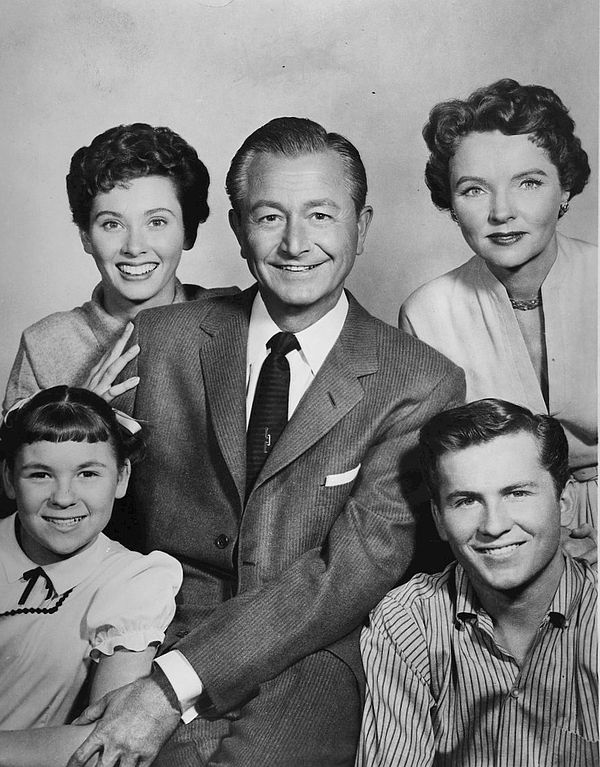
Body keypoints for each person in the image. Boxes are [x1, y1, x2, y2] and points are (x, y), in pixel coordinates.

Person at [66, 117, 465, 767]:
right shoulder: (160, 337)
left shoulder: (421, 381)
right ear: (236, 226)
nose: (296, 243)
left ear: (362, 227)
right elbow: (81, 499)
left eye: (320, 215)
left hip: (310, 654)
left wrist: (168, 689)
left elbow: (346, 574)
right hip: (149, 632)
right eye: (270, 216)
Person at [399, 79, 597, 529]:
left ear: (565, 188)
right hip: (500, 532)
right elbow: (440, 475)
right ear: (450, 203)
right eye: (474, 190)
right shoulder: (426, 313)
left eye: (528, 183)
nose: (501, 212)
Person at [357, 398, 598, 767]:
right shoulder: (407, 623)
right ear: (439, 519)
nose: (494, 526)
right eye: (467, 501)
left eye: (517, 493)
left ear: (563, 501)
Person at [0, 386, 182, 767]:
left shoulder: (132, 581)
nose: (63, 497)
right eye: (39, 474)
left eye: (87, 473)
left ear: (121, 477)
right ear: (9, 478)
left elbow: (105, 742)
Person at [3, 122, 236, 411]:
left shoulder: (231, 317)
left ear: (188, 232)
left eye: (157, 222)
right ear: (86, 237)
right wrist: (82, 414)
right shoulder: (45, 345)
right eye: (112, 224)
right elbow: (18, 454)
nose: (134, 247)